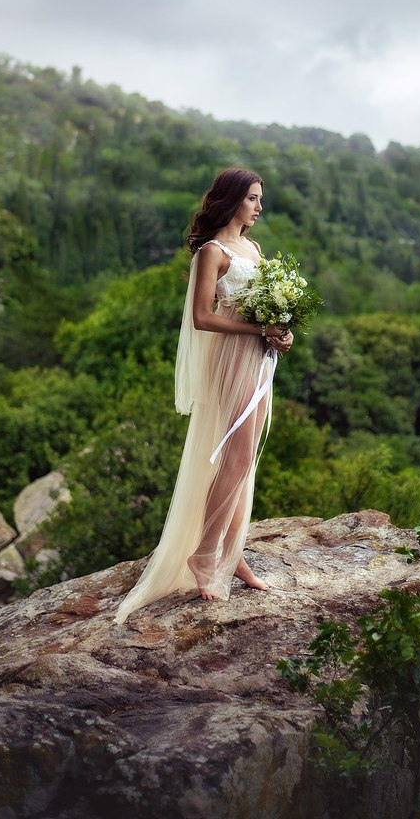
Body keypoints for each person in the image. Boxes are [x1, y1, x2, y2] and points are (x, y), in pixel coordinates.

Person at [114, 168, 292, 624]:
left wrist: (281, 333)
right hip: (230, 360)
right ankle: (206, 554)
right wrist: (259, 329)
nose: (258, 207)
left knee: (245, 458)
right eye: (252, 199)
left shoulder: (252, 248)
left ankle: (232, 554)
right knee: (233, 458)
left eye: (259, 199)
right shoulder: (211, 253)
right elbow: (202, 318)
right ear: (232, 200)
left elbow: (264, 304)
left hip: (256, 358)